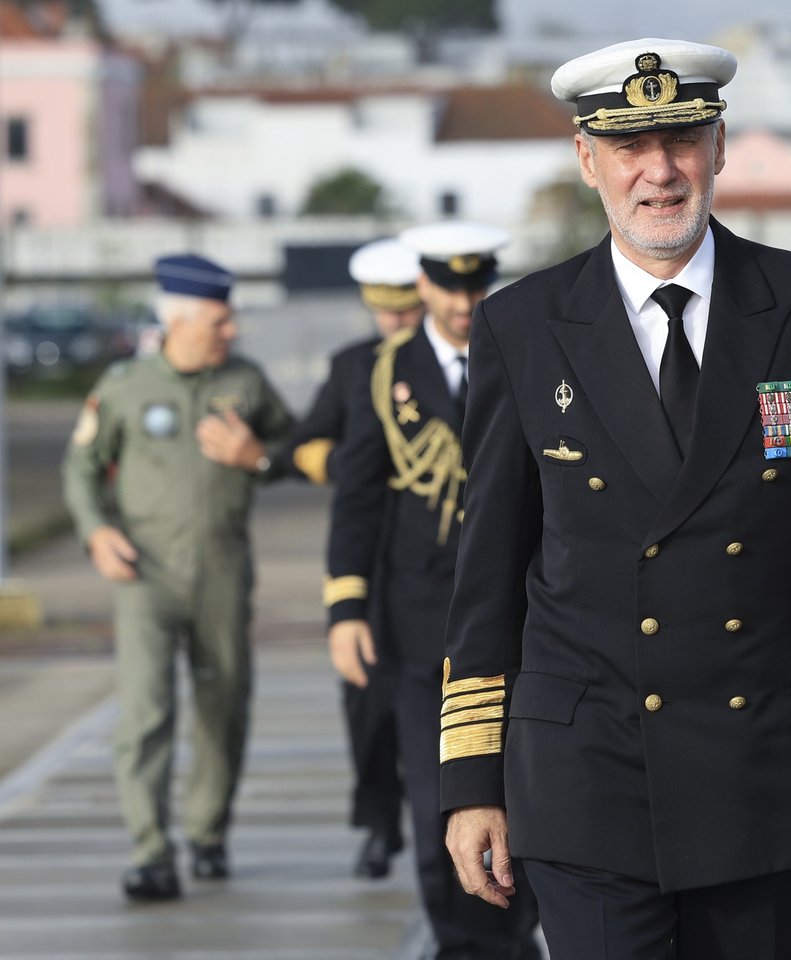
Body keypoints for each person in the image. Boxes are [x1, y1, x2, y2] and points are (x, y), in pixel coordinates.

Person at [440, 38, 791, 960]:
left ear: (719, 147)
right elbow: (488, 572)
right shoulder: (522, 327)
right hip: (587, 777)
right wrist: (472, 779)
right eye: (629, 147)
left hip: (759, 774)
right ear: (587, 159)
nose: (660, 171)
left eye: (681, 140)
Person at [323, 222, 540, 959]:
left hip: (517, 615)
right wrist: (346, 607)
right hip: (420, 622)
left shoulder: (525, 351)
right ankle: (459, 939)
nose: (462, 303)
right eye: (448, 289)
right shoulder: (384, 372)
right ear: (423, 287)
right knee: (435, 790)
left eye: (474, 287)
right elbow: (357, 499)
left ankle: (513, 932)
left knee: (523, 784)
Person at [61, 254, 294, 901]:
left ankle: (208, 832)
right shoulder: (124, 386)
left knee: (224, 705)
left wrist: (258, 457)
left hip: (223, 571)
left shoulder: (245, 382)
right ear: (181, 321)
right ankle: (150, 851)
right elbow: (81, 467)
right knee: (146, 711)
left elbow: (297, 447)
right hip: (146, 574)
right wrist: (95, 532)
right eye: (220, 320)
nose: (232, 330)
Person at [281, 238, 424, 880]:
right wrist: (352, 465)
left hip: (433, 558)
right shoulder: (352, 366)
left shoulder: (465, 359)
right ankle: (378, 824)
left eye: (406, 309)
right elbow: (303, 446)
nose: (396, 321)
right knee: (367, 705)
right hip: (368, 558)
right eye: (385, 311)